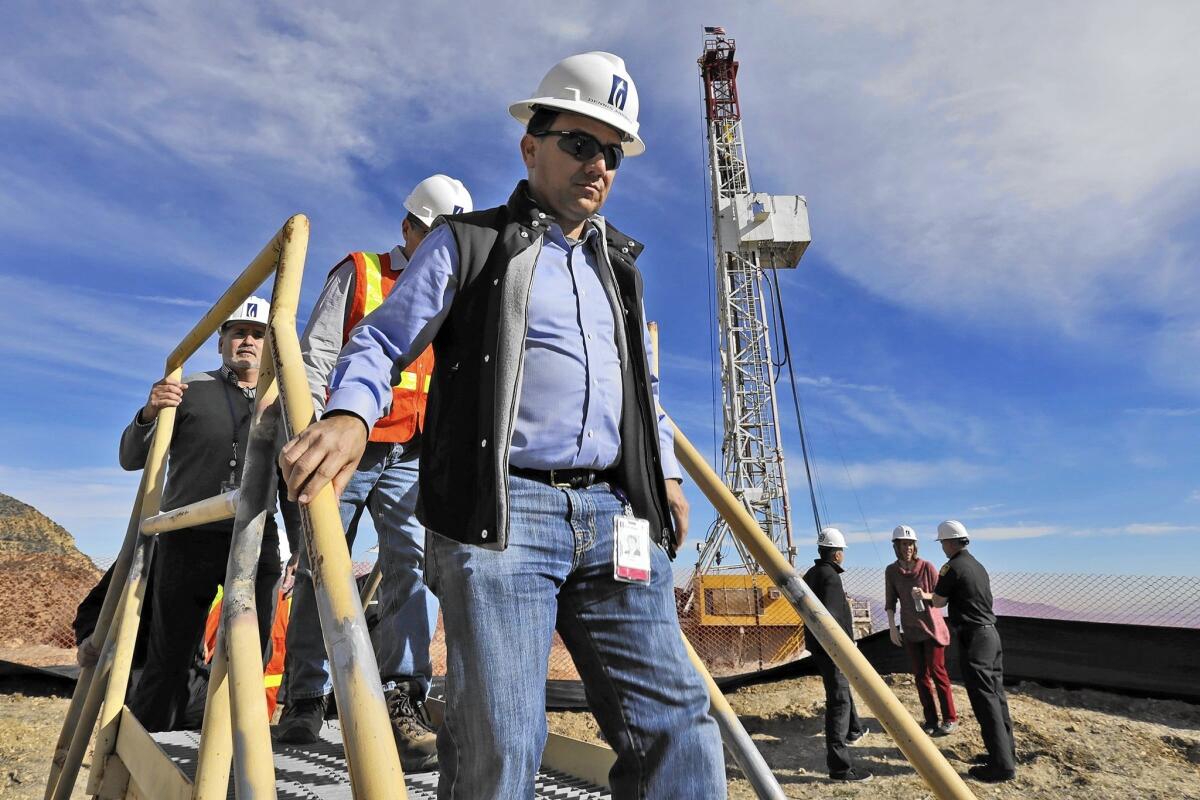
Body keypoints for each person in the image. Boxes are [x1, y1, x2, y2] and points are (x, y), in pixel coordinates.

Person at [278, 51, 726, 798]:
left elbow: (641, 391)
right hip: (505, 518)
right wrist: (353, 414)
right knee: (505, 739)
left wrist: (669, 478)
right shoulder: (469, 243)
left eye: (612, 153)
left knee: (678, 724)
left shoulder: (620, 268)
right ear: (531, 145)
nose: (599, 166)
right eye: (580, 144)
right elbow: (383, 339)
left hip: (617, 514)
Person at [276, 175, 473, 771]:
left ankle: (402, 698)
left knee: (412, 566)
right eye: (431, 234)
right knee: (320, 569)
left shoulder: (452, 292)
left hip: (413, 455)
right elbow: (315, 355)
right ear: (407, 227)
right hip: (347, 447)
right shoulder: (360, 272)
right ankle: (306, 698)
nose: (439, 248)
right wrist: (308, 433)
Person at [119, 297, 286, 732]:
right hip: (187, 535)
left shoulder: (282, 400)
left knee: (253, 655)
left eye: (257, 334)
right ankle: (149, 754)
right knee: (170, 655)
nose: (247, 341)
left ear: (270, 344)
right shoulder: (187, 388)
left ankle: (235, 762)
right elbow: (130, 457)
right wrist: (149, 413)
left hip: (254, 538)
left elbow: (290, 478)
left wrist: (300, 550)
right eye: (237, 333)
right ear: (221, 343)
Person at [913, 520, 1017, 783]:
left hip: (974, 638)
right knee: (996, 695)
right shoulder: (977, 566)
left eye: (943, 543)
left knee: (984, 701)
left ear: (949, 543)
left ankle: (1001, 766)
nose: (943, 549)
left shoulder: (952, 568)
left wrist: (924, 595)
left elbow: (938, 601)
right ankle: (1005, 753)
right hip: (991, 635)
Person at [803, 527, 872, 783]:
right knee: (839, 701)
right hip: (832, 649)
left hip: (819, 647)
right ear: (837, 554)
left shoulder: (812, 573)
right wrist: (845, 646)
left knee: (842, 690)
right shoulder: (831, 577)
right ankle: (840, 768)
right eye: (841, 550)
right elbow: (830, 618)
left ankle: (854, 730)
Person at [885, 524, 957, 736]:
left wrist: (924, 595)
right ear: (896, 546)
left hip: (932, 629)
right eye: (903, 544)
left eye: (910, 544)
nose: (907, 547)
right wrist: (892, 628)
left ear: (915, 546)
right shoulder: (892, 571)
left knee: (938, 672)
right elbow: (891, 601)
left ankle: (950, 718)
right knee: (920, 676)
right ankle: (931, 720)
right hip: (911, 630)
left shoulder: (928, 567)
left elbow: (940, 598)